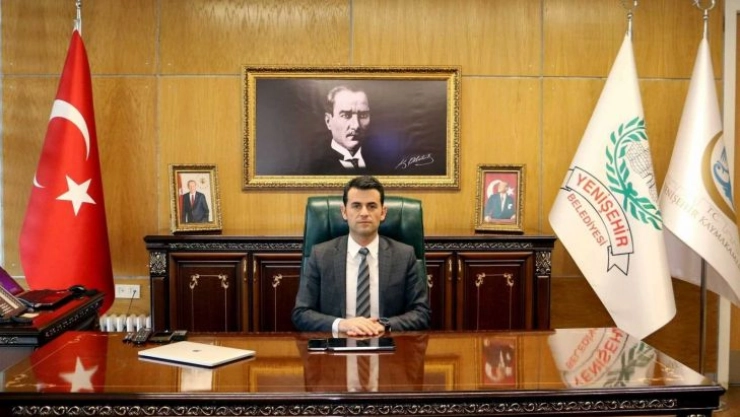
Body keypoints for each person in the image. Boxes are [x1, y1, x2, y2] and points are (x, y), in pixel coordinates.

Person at [292, 175, 430, 336]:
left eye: (372, 206)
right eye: (356, 206)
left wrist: (384, 325)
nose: (364, 213)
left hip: (387, 344)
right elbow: (301, 314)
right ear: (344, 212)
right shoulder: (320, 255)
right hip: (337, 344)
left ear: (383, 212)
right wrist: (341, 324)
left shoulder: (404, 255)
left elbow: (421, 313)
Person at [310, 86, 372, 174]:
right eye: (346, 115)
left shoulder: (383, 163)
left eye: (363, 115)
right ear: (328, 121)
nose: (356, 125)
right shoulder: (314, 168)